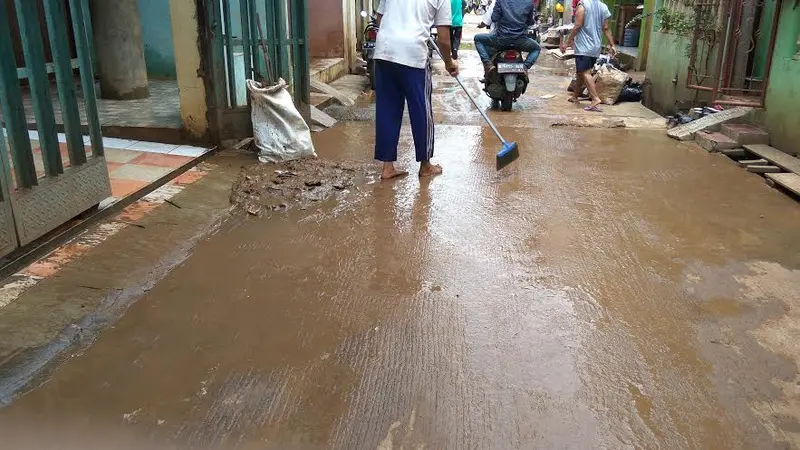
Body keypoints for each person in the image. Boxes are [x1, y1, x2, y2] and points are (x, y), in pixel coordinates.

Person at [373, 0, 459, 179]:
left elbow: (380, 20)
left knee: (387, 110)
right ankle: (425, 165)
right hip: (412, 55)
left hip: (384, 51)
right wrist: (449, 62)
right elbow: (444, 39)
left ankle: (387, 167)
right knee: (421, 110)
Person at [561, 0, 615, 112]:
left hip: (584, 46)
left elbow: (578, 25)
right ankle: (575, 97)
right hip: (595, 46)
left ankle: (595, 98)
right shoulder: (603, 6)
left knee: (585, 72)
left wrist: (568, 42)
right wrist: (612, 44)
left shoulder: (583, 5)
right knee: (581, 72)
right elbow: (605, 27)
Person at [474, 0, 541, 78]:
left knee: (477, 38)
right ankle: (525, 67)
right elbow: (530, 22)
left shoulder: (500, 1)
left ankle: (488, 64)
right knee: (537, 48)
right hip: (520, 41)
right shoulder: (529, 2)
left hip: (501, 40)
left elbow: (494, 18)